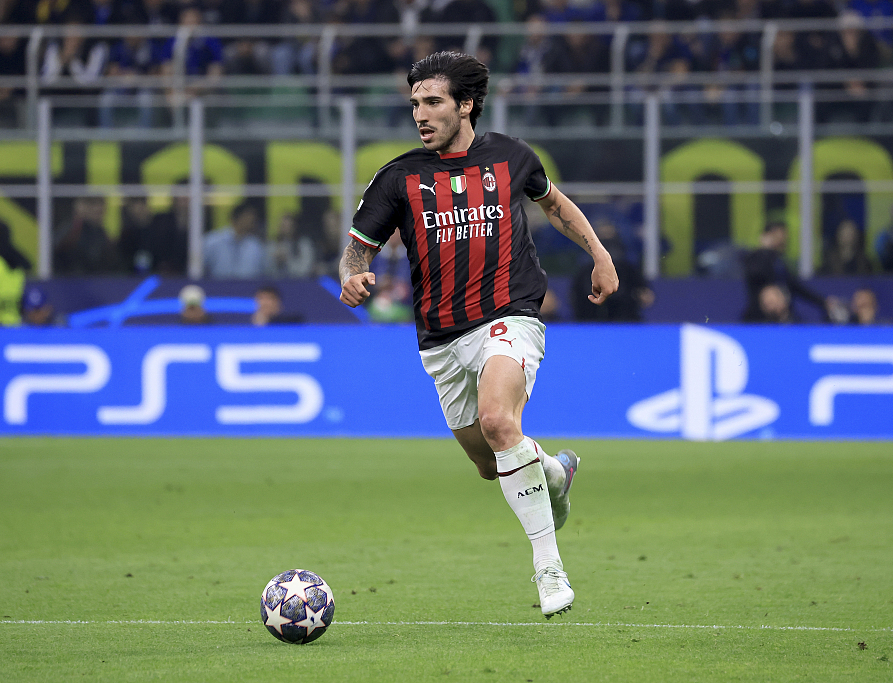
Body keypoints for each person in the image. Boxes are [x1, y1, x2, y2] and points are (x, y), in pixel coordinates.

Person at [338, 52, 619, 619]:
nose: (421, 113)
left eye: (433, 101)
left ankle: (548, 567)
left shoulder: (512, 157)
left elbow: (557, 208)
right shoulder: (399, 176)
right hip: (441, 340)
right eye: (415, 103)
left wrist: (598, 252)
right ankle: (553, 471)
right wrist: (352, 274)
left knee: (497, 420)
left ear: (465, 104)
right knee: (493, 461)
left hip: (509, 315)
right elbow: (356, 249)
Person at [741, 220, 835, 322]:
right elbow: (756, 273)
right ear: (769, 235)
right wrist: (764, 250)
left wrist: (822, 301)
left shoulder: (780, 262)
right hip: (759, 319)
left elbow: (795, 286)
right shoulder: (755, 258)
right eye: (779, 234)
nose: (784, 239)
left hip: (784, 319)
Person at [203, 200, 269, 279]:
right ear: (238, 218)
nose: (253, 221)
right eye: (249, 217)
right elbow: (200, 268)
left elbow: (262, 272)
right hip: (217, 287)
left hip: (247, 288)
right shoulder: (212, 241)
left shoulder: (255, 246)